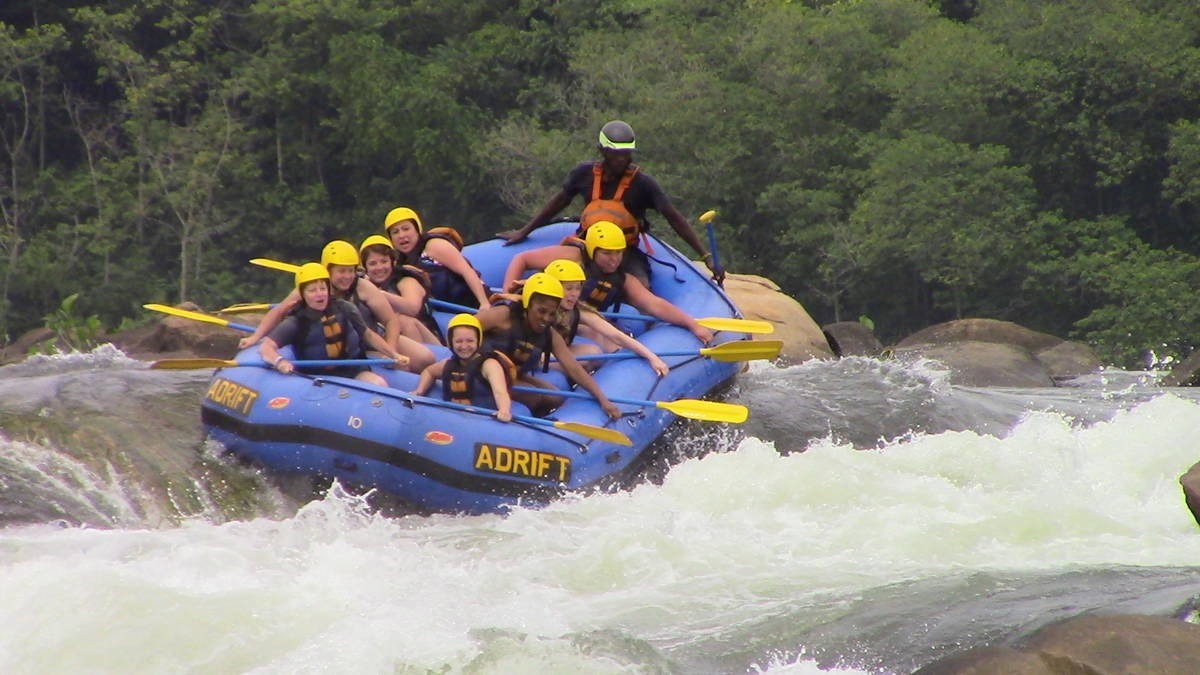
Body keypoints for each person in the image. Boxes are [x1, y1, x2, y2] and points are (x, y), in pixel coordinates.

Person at [501, 120, 725, 286]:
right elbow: (558, 203)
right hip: (585, 247)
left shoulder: (643, 184)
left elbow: (673, 217)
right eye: (615, 154)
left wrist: (706, 257)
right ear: (603, 151)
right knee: (559, 279)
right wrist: (525, 231)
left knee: (643, 287)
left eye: (626, 154)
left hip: (623, 252)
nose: (621, 160)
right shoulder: (584, 174)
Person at [239, 240, 436, 373]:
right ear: (328, 270)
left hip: (374, 339)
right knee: (401, 369)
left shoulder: (363, 286)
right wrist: (256, 337)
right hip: (350, 350)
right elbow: (280, 311)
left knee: (426, 358)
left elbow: (390, 319)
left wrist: (391, 350)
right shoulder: (314, 288)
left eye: (350, 271)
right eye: (341, 272)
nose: (347, 277)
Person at [501, 222, 714, 344]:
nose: (614, 259)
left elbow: (655, 304)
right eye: (607, 254)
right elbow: (522, 259)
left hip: (579, 322)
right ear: (593, 251)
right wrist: (507, 296)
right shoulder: (571, 256)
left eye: (618, 253)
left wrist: (692, 324)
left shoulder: (624, 280)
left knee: (607, 338)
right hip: (544, 317)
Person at [474, 272, 621, 420]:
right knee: (533, 396)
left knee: (555, 398)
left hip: (513, 374)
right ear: (528, 304)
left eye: (552, 314)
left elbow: (573, 368)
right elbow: (463, 327)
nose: (545, 319)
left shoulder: (549, 333)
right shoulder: (503, 315)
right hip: (484, 370)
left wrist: (603, 400)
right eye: (541, 311)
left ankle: (540, 421)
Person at [257, 262, 409, 387]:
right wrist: (279, 361)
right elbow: (266, 347)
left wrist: (393, 354)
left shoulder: (346, 308)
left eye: (323, 288)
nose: (319, 294)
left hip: (353, 370)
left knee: (379, 383)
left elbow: (368, 335)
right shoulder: (295, 322)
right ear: (303, 295)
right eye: (312, 290)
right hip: (318, 379)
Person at [540, 258, 669, 376]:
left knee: (594, 352)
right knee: (586, 355)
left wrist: (652, 357)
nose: (574, 294)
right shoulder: (537, 310)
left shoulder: (578, 310)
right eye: (569, 289)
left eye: (577, 288)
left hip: (559, 351)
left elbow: (616, 335)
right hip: (538, 354)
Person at [411, 313, 514, 422]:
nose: (464, 346)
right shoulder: (447, 364)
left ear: (478, 341)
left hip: (481, 420)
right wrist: (419, 391)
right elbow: (429, 372)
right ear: (451, 342)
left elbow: (500, 392)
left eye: (470, 341)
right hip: (453, 418)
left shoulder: (489, 365)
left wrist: (504, 409)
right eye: (459, 341)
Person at [384, 206, 491, 309]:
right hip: (448, 312)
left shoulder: (433, 245)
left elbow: (467, 271)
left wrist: (484, 303)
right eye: (395, 232)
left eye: (406, 229)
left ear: (417, 230)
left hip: (473, 303)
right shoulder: (400, 265)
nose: (401, 235)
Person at [358, 234, 443, 345]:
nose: (379, 268)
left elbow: (413, 308)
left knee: (402, 320)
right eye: (373, 263)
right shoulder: (364, 285)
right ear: (365, 268)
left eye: (384, 261)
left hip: (428, 339)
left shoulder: (406, 281)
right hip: (390, 341)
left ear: (393, 262)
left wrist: (379, 294)